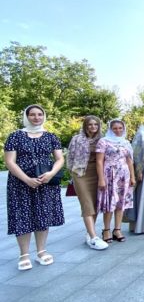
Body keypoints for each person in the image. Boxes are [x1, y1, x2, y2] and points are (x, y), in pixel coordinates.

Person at [5, 105, 65, 270]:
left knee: (42, 214)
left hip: (44, 182)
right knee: (22, 216)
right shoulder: (15, 136)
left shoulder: (51, 136)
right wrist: (26, 179)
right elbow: (9, 161)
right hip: (20, 183)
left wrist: (51, 174)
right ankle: (24, 254)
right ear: (26, 116)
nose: (36, 117)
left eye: (40, 114)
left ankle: (41, 251)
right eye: (32, 114)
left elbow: (60, 158)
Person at [67, 115, 109, 250]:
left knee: (95, 203)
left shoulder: (103, 140)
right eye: (90, 125)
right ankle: (94, 237)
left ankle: (89, 234)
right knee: (86, 204)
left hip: (97, 173)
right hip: (81, 174)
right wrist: (72, 174)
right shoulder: (77, 139)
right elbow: (70, 157)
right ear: (85, 126)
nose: (93, 127)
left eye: (96, 125)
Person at [96, 119, 135, 243]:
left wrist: (133, 177)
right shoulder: (103, 141)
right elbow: (99, 161)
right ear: (110, 129)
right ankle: (106, 230)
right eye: (115, 128)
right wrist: (101, 179)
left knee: (121, 203)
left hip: (124, 174)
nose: (118, 130)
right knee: (109, 203)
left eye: (120, 128)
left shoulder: (126, 142)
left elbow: (129, 161)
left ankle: (117, 229)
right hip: (109, 174)